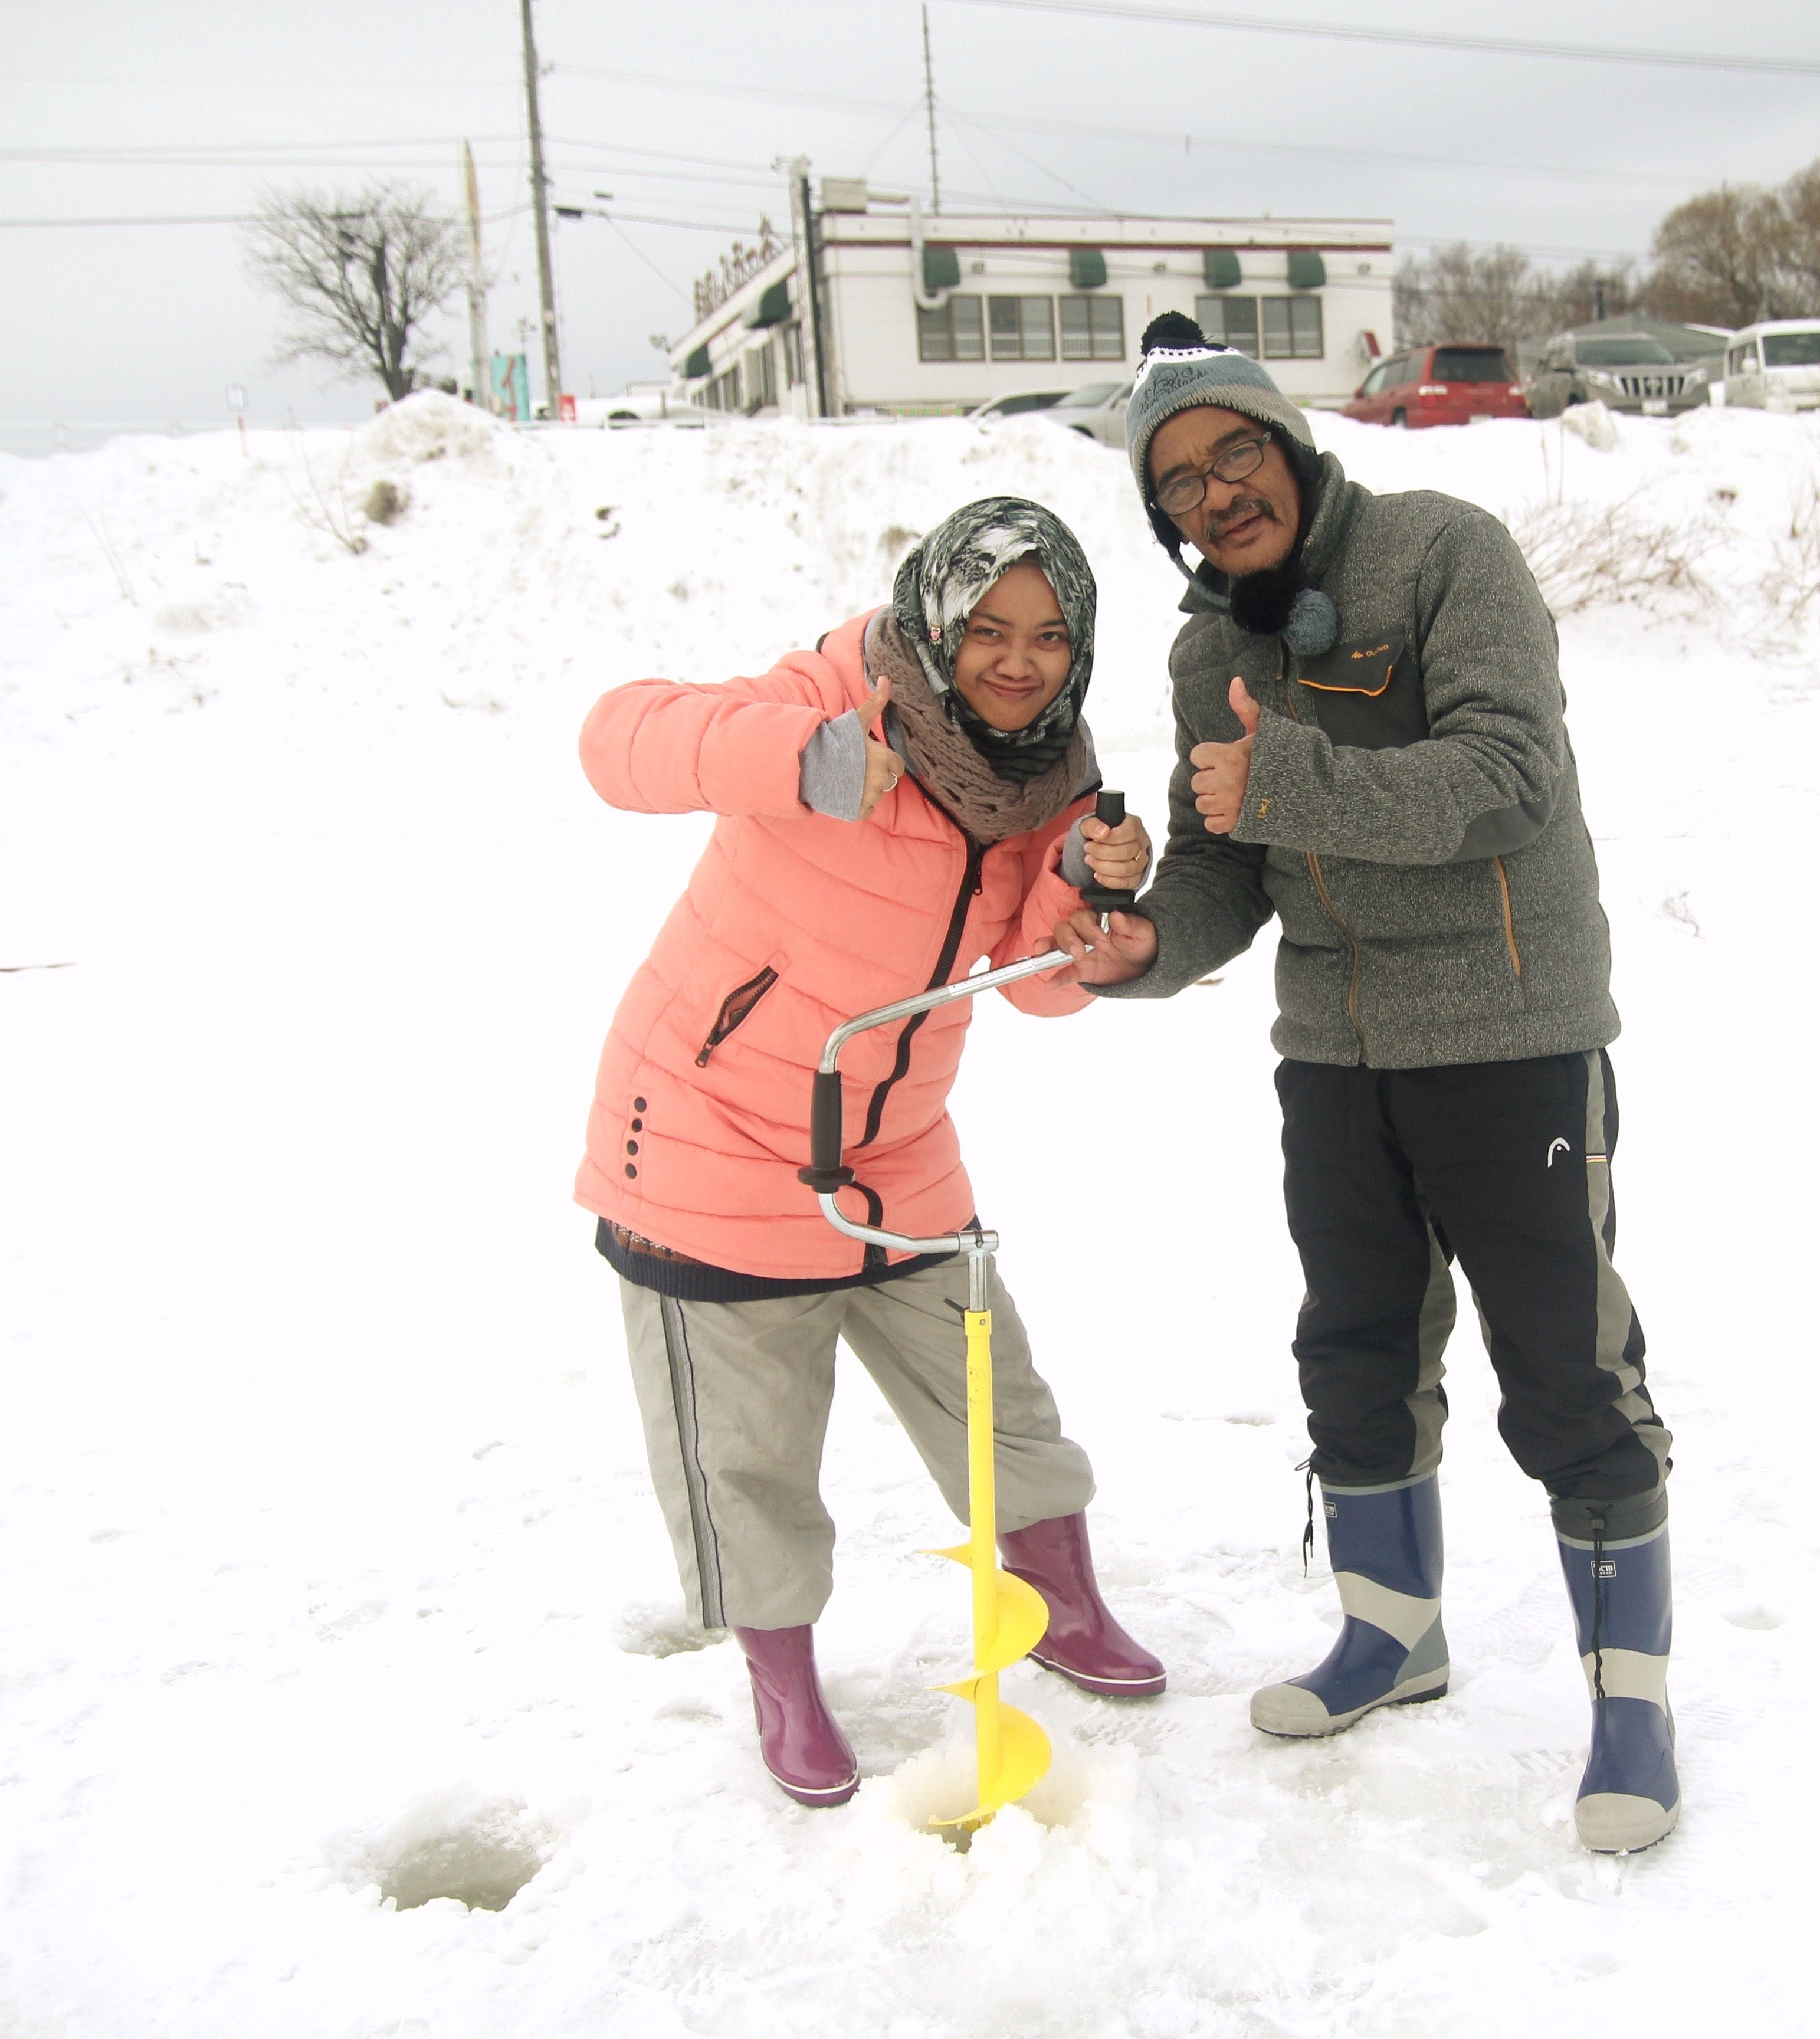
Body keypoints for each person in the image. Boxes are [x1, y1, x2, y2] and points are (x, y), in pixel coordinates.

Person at [1051, 316, 1682, 1854]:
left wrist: (1289, 776)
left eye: (1233, 456)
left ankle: (1634, 1710)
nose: (1215, 497)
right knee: (1353, 1352)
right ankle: (1394, 1633)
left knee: (1567, 1374)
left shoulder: (1442, 554)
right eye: (1180, 484)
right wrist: (1140, 942)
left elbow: (1507, 778)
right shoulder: (1212, 654)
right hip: (1336, 1053)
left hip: (1511, 1032)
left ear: (1287, 443)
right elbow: (1225, 871)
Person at [575, 497, 1164, 1809]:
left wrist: (1094, 908)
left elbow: (1035, 984)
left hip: (894, 1145)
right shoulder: (838, 690)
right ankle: (782, 1677)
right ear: (937, 617)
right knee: (752, 1454)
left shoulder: (1050, 776)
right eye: (991, 629)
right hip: (708, 1145)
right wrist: (804, 759)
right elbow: (614, 742)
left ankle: (1059, 1601)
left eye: (1051, 635)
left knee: (997, 1395)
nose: (1018, 660)